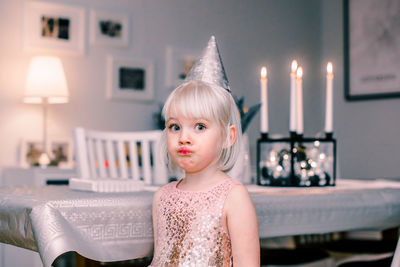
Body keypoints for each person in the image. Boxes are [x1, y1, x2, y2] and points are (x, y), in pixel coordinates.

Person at [149, 36, 260, 266]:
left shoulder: (233, 197)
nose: (184, 138)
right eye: (174, 127)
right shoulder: (162, 197)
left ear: (228, 137)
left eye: (200, 126)